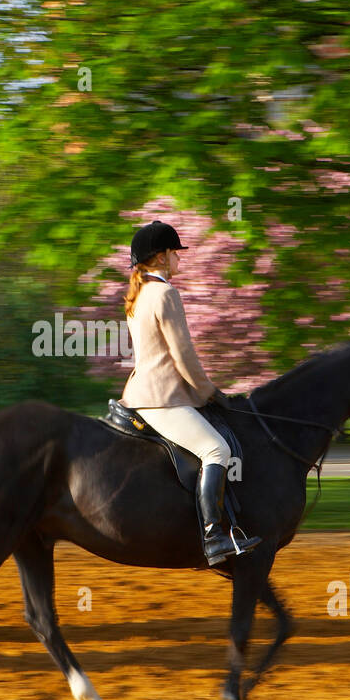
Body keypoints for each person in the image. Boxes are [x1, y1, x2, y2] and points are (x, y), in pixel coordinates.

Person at [119, 220, 261, 566]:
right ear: (163, 257)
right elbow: (183, 356)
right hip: (162, 397)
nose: (180, 261)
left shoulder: (139, 294)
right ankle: (214, 537)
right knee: (217, 448)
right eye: (176, 254)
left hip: (143, 391)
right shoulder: (166, 293)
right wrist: (209, 391)